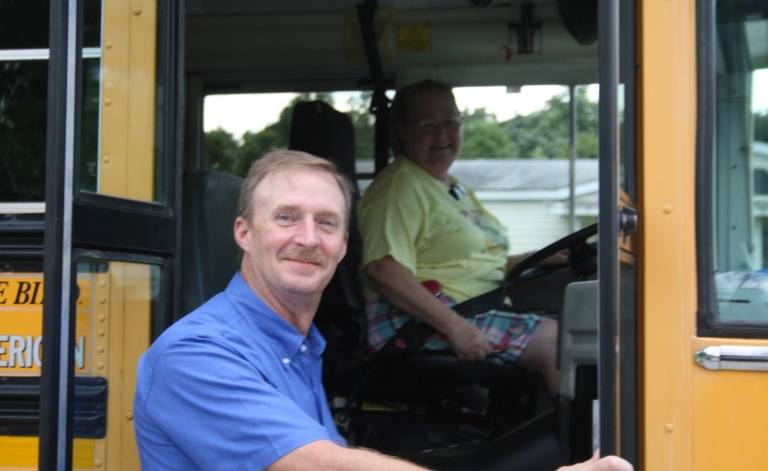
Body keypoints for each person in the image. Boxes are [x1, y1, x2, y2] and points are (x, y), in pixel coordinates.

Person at [133, 149, 631, 471]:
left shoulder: (298, 345)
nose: (308, 237)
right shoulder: (198, 355)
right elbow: (327, 468)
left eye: (326, 223)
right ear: (244, 232)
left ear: (343, 244)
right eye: (286, 218)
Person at [357, 79, 560, 397]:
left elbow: (474, 260)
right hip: (413, 323)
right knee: (557, 342)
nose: (443, 134)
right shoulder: (398, 189)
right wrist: (455, 327)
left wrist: (549, 256)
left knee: (575, 325)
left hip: (470, 308)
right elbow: (383, 268)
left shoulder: (450, 186)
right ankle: (590, 443)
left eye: (451, 121)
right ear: (402, 131)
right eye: (428, 124)